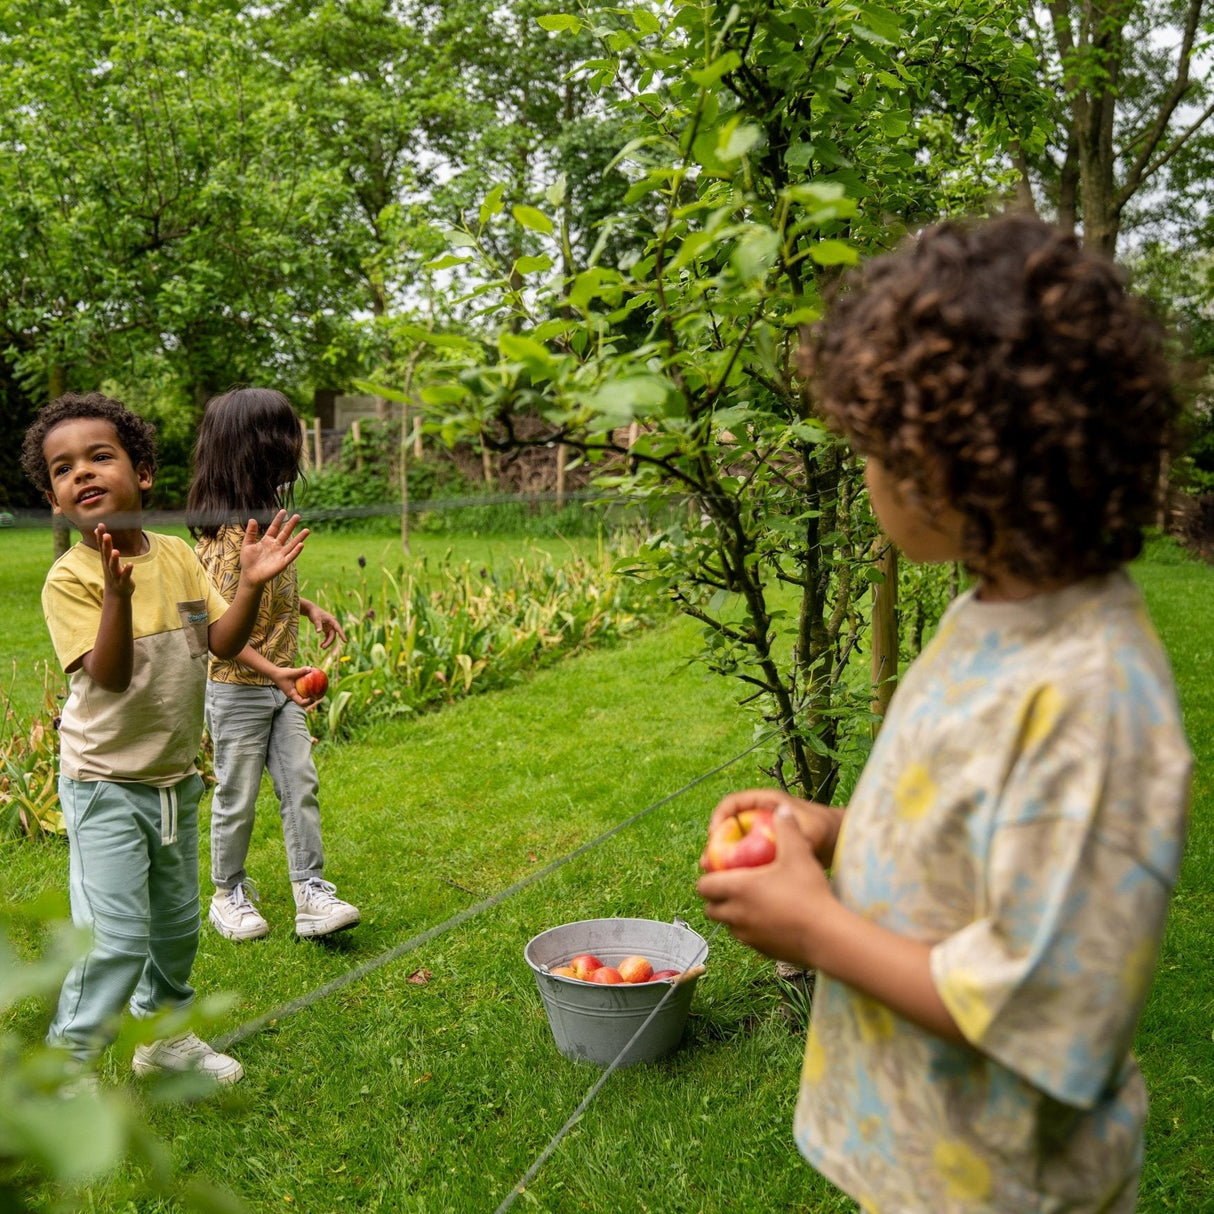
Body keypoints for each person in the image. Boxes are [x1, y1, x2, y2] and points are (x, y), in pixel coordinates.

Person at [697, 214, 1192, 1213]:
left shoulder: (1090, 702)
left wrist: (813, 927)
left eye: (875, 448)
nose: (864, 471)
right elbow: (975, 824)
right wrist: (835, 834)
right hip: (929, 1158)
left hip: (1002, 1185)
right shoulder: (992, 616)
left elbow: (1040, 1004)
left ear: (955, 464)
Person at [20, 391, 308, 1084]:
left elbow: (220, 642)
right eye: (63, 469)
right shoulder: (71, 579)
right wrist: (117, 599)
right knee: (115, 941)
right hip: (105, 786)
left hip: (175, 781)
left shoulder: (177, 555)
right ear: (57, 501)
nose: (82, 473)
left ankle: (165, 1042)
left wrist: (247, 583)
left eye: (99, 456)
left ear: (141, 472)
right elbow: (110, 677)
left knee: (176, 930)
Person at [187, 387, 359, 943]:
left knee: (299, 786)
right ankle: (226, 892)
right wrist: (276, 672)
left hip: (281, 685)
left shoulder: (268, 518)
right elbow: (218, 634)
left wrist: (307, 607)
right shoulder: (222, 538)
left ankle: (309, 891)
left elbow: (267, 593)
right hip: (235, 689)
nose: (296, 444)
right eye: (286, 433)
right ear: (255, 446)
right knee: (236, 797)